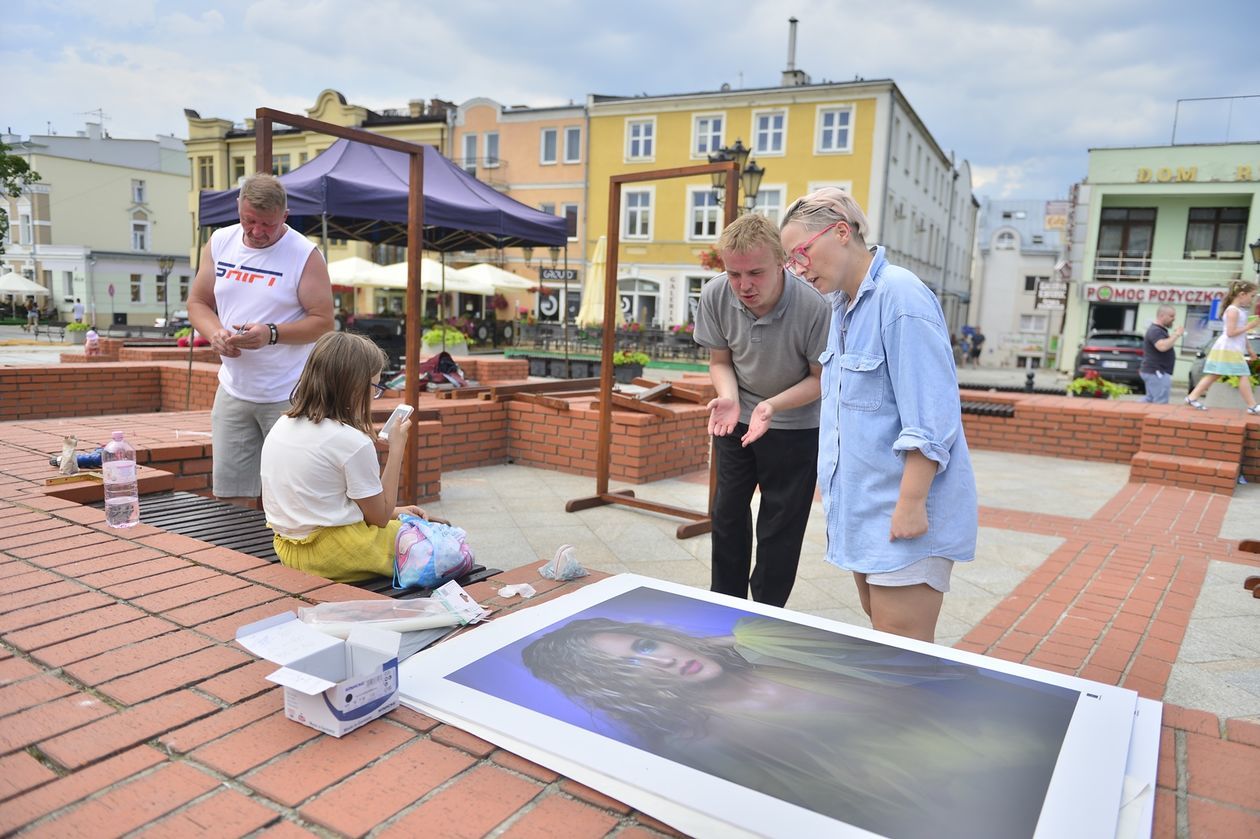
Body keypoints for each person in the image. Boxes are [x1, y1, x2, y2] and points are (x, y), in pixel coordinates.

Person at [521, 615, 1074, 838]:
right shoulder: (705, 743)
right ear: (619, 690)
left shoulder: (764, 646)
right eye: (631, 669)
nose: (661, 660)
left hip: (1032, 743)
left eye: (645, 645)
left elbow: (925, 670)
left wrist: (719, 645)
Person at [779, 188, 977, 643]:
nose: (798, 267)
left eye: (801, 252)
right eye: (792, 260)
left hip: (902, 512)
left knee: (903, 648)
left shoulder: (900, 297)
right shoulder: (843, 307)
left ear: (842, 233)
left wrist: (910, 505)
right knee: (886, 635)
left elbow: (932, 416)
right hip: (866, 514)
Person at [692, 213, 829, 607]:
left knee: (780, 526)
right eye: (734, 274)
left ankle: (767, 615)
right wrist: (730, 398)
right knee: (728, 514)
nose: (743, 286)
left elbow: (820, 379)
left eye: (755, 273)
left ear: (782, 262)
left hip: (796, 425)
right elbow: (720, 361)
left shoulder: (813, 306)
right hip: (736, 419)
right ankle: (726, 606)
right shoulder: (717, 294)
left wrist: (772, 406)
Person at [187, 172, 334, 506]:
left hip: (289, 394)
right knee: (230, 495)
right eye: (247, 221)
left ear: (285, 216)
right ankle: (237, 558)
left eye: (267, 224)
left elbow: (323, 323)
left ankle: (282, 559)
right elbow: (197, 303)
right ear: (238, 209)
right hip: (234, 390)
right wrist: (215, 333)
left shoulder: (304, 254)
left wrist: (271, 334)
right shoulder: (221, 241)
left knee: (290, 496)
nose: (256, 231)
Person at [259, 332, 430, 582]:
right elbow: (380, 518)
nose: (374, 396)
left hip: (289, 548)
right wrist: (397, 448)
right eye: (374, 388)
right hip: (336, 555)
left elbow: (323, 504)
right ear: (353, 386)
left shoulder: (283, 424)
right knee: (433, 542)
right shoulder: (351, 441)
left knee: (406, 523)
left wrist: (397, 511)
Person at [1185, 280, 1260, 413]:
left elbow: (1240, 334)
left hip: (1230, 348)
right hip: (1229, 348)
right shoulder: (1233, 311)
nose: (1252, 299)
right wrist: (1249, 326)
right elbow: (1231, 333)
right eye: (1252, 295)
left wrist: (1249, 349)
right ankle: (1252, 405)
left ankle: (1192, 397)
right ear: (1242, 294)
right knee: (1242, 374)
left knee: (1215, 374)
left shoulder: (1237, 310)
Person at [1139, 305, 1184, 404]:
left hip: (1155, 371)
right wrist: (1176, 334)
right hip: (1157, 371)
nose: (1174, 319)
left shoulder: (1158, 330)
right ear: (1162, 316)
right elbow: (1162, 346)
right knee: (1160, 402)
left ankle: (1129, 413)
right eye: (1171, 316)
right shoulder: (1155, 331)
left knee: (1149, 400)